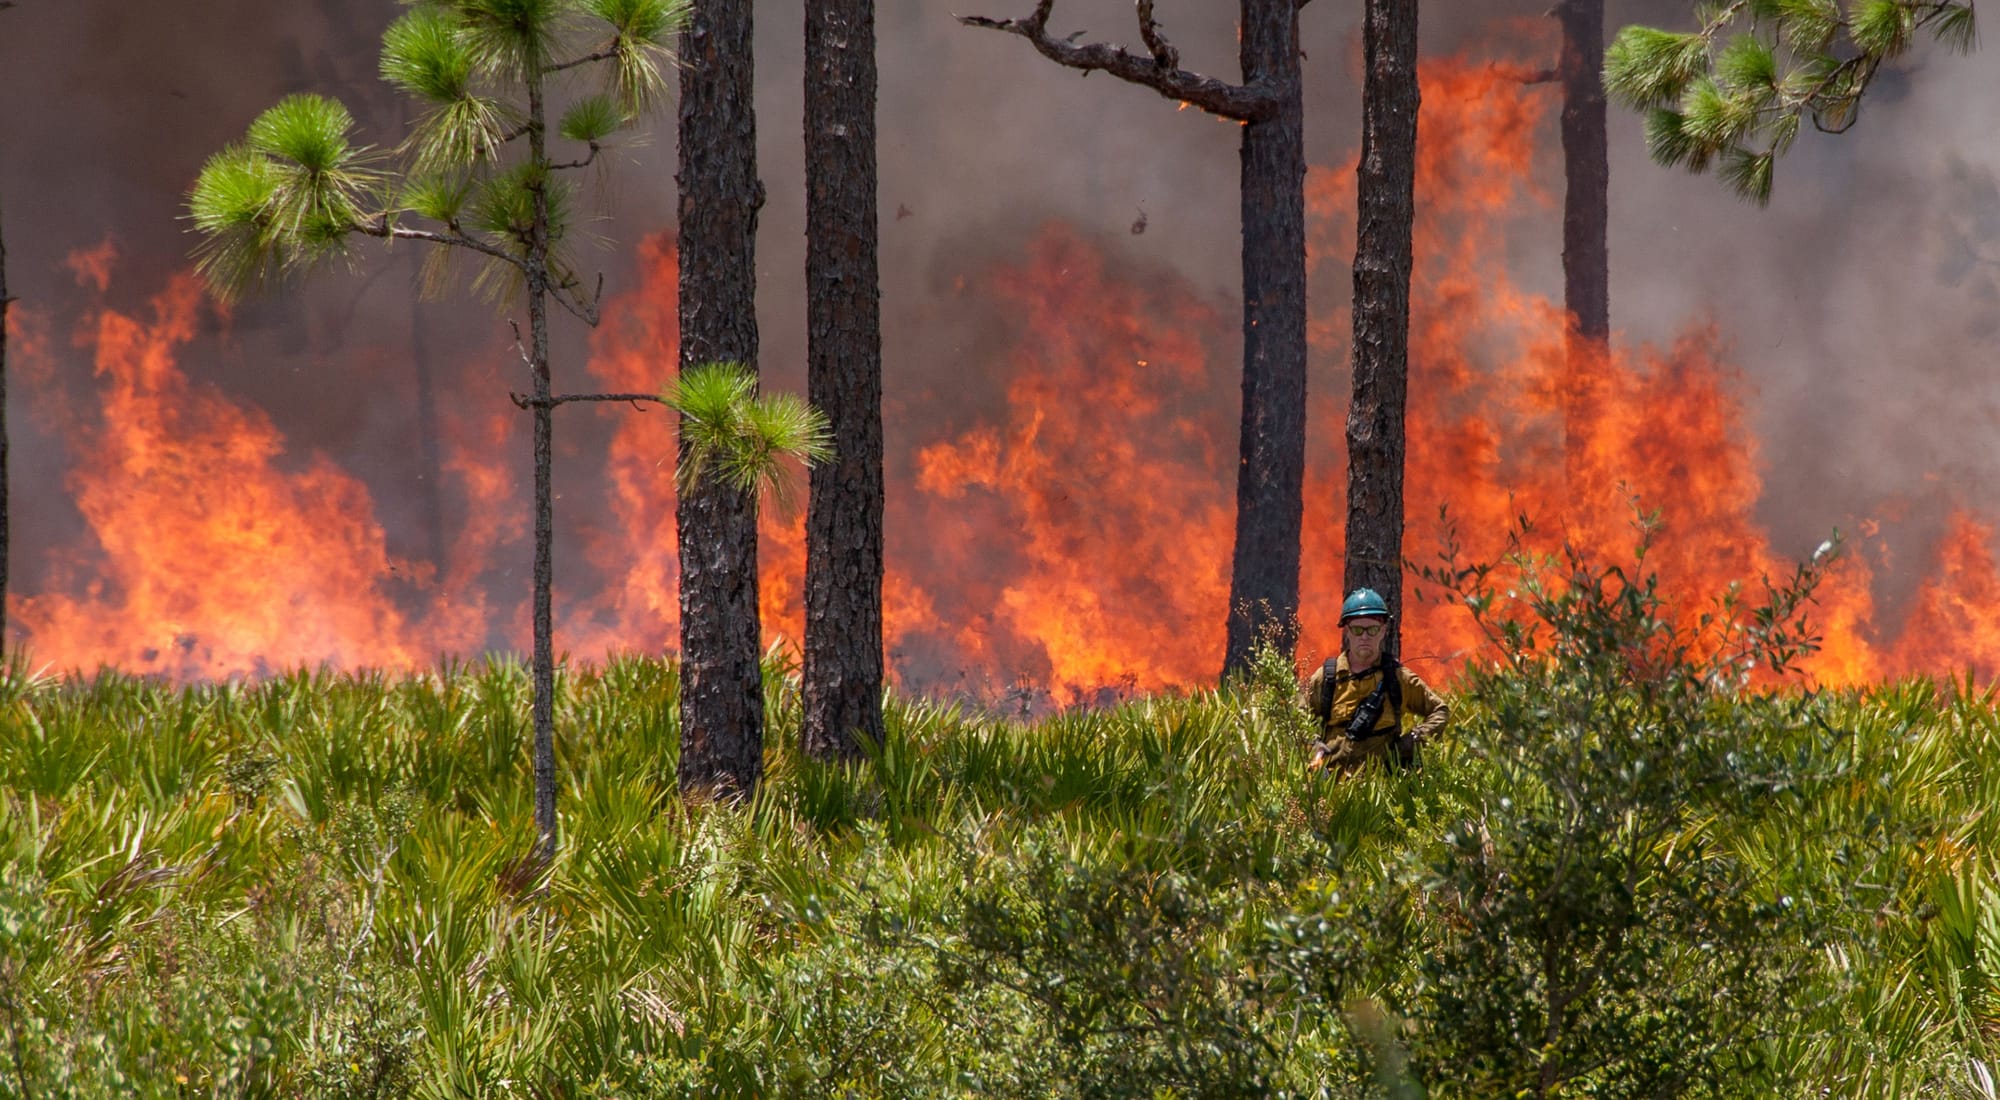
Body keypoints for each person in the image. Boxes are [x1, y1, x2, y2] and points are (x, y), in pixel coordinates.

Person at [1304, 587, 1450, 772]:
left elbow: (1440, 710)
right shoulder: (1327, 677)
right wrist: (1314, 747)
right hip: (1332, 789)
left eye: (1372, 629)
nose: (1364, 636)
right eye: (1357, 629)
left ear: (1383, 631)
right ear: (1346, 631)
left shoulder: (1398, 678)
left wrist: (1413, 740)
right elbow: (1296, 719)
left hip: (1383, 790)